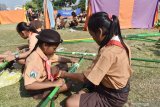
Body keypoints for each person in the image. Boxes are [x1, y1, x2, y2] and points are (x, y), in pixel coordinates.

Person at [57, 12, 132, 107]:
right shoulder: (122, 44)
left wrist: (64, 74)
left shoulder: (108, 52)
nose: (93, 39)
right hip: (118, 89)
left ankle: (90, 91)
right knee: (84, 88)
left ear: (100, 32)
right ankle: (88, 90)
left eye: (92, 35)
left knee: (71, 102)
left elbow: (85, 78)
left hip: (113, 97)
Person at [23, 29, 75, 99]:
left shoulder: (45, 52)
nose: (55, 51)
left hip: (44, 78)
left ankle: (52, 85)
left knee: (63, 65)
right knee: (68, 84)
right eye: (54, 48)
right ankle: (42, 95)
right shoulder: (34, 60)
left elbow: (57, 58)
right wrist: (54, 83)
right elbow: (29, 85)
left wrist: (70, 60)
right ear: (45, 45)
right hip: (37, 87)